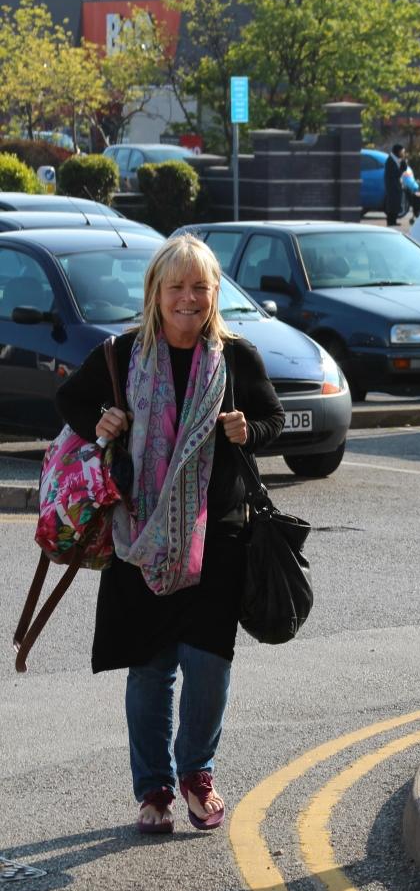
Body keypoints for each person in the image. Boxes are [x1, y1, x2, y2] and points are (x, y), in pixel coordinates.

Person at [56, 234, 285, 833]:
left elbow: (273, 419)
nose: (188, 298)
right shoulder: (120, 354)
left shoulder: (237, 358)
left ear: (215, 294)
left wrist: (249, 431)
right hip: (140, 535)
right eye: (176, 287)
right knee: (151, 668)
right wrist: (100, 419)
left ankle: (197, 775)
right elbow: (70, 401)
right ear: (155, 293)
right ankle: (154, 788)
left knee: (208, 664)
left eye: (199, 287)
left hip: (218, 538)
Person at [384, 143, 408, 226]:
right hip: (392, 186)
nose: (403, 154)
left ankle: (393, 221)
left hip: (396, 185)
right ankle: (390, 221)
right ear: (397, 152)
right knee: (392, 204)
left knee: (396, 203)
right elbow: (395, 174)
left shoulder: (396, 159)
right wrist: (402, 169)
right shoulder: (390, 161)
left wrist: (404, 165)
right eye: (402, 152)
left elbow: (400, 172)